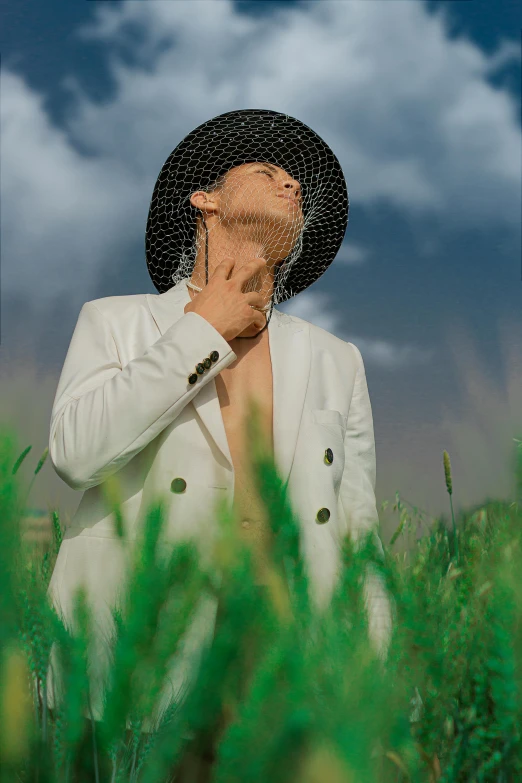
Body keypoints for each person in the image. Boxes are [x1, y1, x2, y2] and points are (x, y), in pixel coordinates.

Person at [46, 109, 393, 777]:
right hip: (139, 670)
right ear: (204, 200)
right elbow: (75, 454)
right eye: (269, 172)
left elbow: (358, 533)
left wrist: (371, 687)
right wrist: (202, 328)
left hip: (283, 678)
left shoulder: (335, 358)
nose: (293, 186)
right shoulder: (117, 323)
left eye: (299, 185)